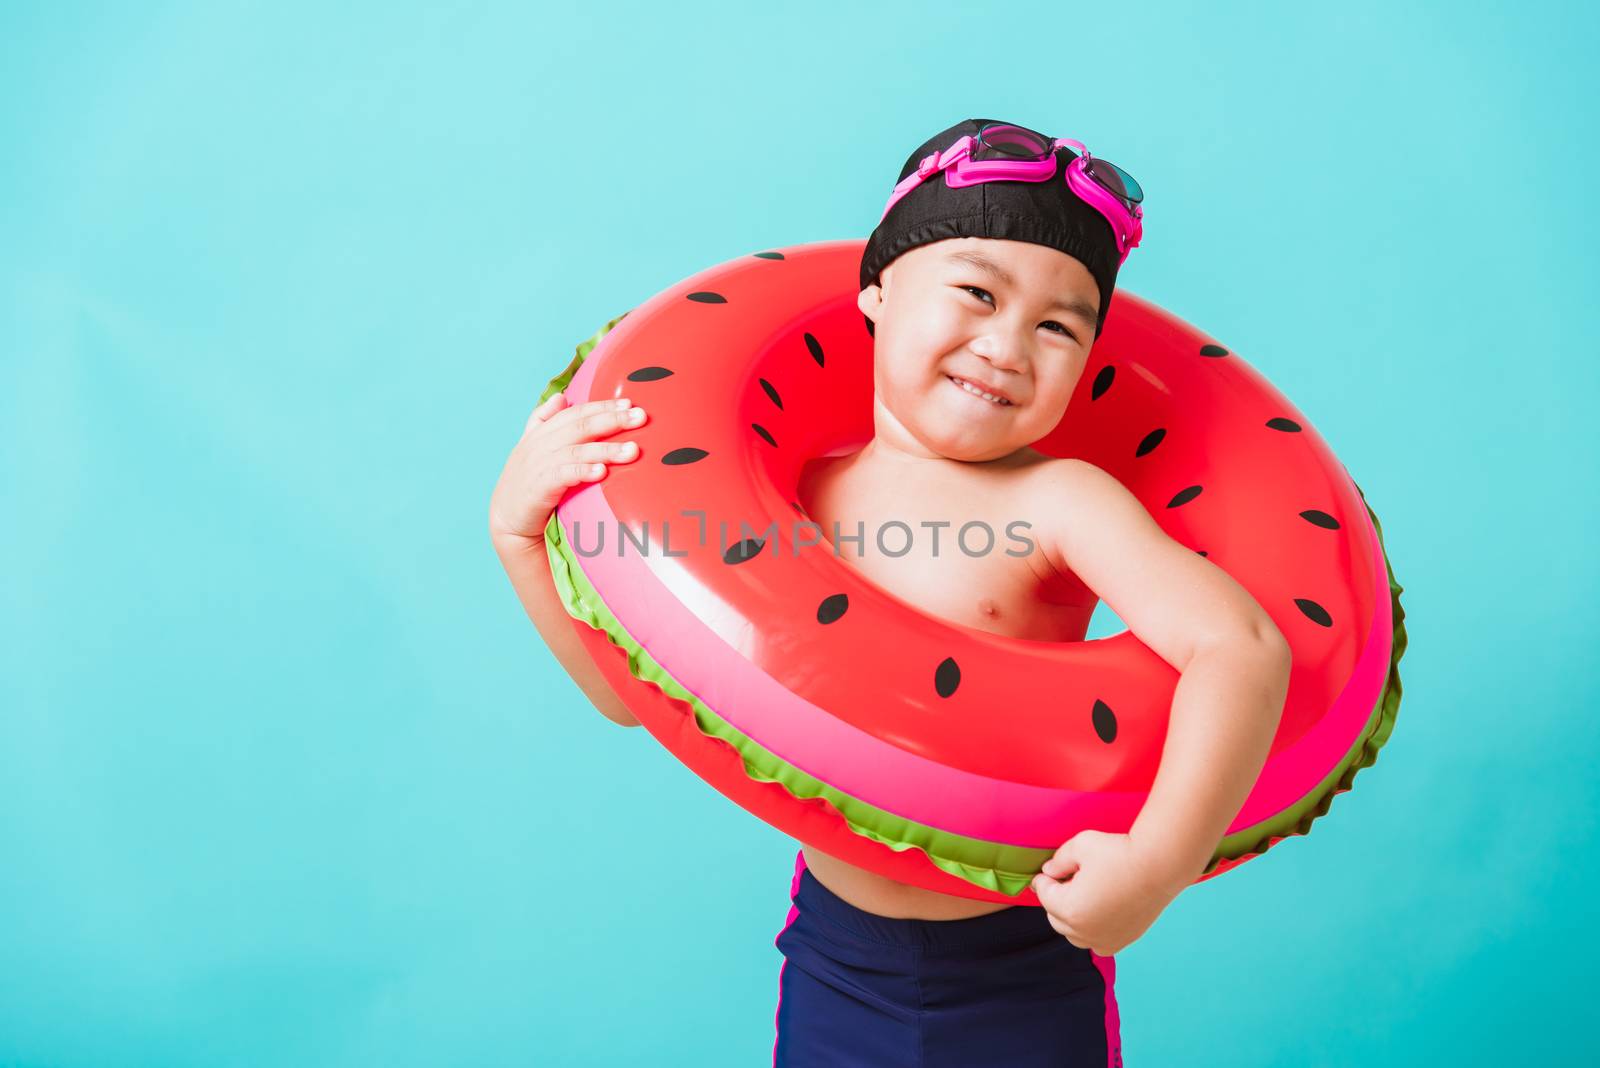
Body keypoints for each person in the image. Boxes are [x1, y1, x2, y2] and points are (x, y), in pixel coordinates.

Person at [488, 118, 1293, 1067]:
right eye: (976, 292)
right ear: (875, 291)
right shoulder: (792, 495)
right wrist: (520, 539)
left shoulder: (1062, 502)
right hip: (837, 951)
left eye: (1056, 326)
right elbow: (634, 701)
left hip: (1025, 958)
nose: (1005, 346)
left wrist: (1156, 865)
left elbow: (1240, 648)